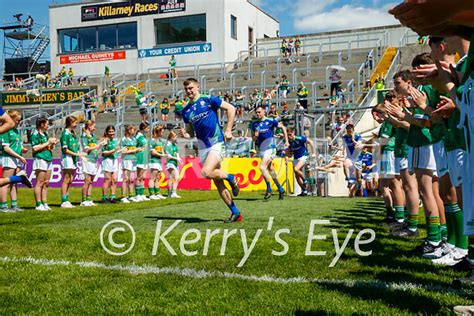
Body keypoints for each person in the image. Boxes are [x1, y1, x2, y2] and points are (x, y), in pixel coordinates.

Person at [179, 78, 242, 223]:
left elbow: (231, 108)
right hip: (203, 147)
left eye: (191, 88)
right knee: (217, 182)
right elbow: (191, 134)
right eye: (187, 89)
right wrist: (185, 135)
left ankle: (231, 177)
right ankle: (236, 213)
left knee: (206, 172)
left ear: (197, 87)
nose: (189, 91)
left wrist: (228, 130)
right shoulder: (185, 111)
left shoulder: (208, 99)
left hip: (216, 143)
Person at [251, 105, 289, 200]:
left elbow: (283, 128)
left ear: (264, 112)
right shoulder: (254, 124)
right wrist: (255, 136)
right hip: (262, 149)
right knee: (271, 170)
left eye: (259, 112)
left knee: (262, 167)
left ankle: (269, 189)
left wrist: (286, 140)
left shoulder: (270, 121)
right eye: (257, 112)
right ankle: (280, 189)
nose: (258, 114)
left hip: (270, 148)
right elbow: (253, 138)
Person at [0, 111, 28, 212]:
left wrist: (21, 149)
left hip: (16, 158)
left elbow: (15, 144)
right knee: (5, 182)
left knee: (14, 182)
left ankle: (14, 204)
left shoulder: (15, 130)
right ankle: (3, 206)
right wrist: (19, 156)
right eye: (17, 120)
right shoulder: (5, 130)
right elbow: (6, 148)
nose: (19, 122)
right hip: (8, 157)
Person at [31, 117, 58, 211]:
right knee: (40, 182)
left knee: (46, 183)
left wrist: (52, 143)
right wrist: (48, 142)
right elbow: (35, 148)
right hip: (40, 159)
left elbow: (46, 147)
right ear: (42, 124)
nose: (48, 126)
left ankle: (44, 202)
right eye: (47, 124)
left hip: (48, 158)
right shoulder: (35, 134)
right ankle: (38, 204)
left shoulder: (45, 134)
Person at [60, 115, 85, 208]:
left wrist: (79, 154)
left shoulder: (72, 133)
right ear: (70, 123)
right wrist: (77, 154)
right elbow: (65, 150)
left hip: (73, 158)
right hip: (67, 158)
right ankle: (64, 200)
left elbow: (75, 147)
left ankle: (67, 199)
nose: (76, 124)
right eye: (75, 123)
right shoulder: (65, 134)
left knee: (70, 179)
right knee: (66, 179)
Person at [80, 120, 105, 207]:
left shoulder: (93, 136)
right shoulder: (84, 136)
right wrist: (98, 145)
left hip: (94, 159)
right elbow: (87, 149)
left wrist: (100, 146)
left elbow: (95, 149)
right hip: (87, 159)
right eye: (93, 126)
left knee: (91, 181)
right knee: (87, 180)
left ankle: (89, 198)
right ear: (89, 126)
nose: (95, 127)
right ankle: (83, 200)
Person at [286, 127, 315, 196]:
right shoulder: (288, 142)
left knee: (296, 169)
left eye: (290, 134)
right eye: (288, 135)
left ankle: (305, 180)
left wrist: (313, 152)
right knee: (297, 176)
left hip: (303, 156)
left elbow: (310, 141)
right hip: (296, 158)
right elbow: (289, 153)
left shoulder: (299, 138)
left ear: (293, 133)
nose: (289, 136)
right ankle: (304, 190)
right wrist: (287, 154)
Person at [120, 125, 142, 203]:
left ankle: (131, 195)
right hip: (126, 160)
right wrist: (135, 150)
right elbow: (123, 151)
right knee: (125, 178)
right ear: (129, 130)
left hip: (133, 160)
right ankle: (123, 196)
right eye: (133, 130)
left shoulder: (134, 139)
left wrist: (138, 150)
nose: (134, 131)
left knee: (132, 179)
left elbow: (134, 149)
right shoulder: (124, 140)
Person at [101, 125, 120, 204]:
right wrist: (114, 150)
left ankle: (112, 197)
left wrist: (120, 150)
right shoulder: (105, 141)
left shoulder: (115, 140)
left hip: (114, 160)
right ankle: (104, 198)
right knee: (107, 180)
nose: (112, 133)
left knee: (115, 179)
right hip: (107, 160)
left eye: (113, 131)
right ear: (107, 132)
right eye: (110, 131)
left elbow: (116, 151)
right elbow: (104, 153)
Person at [149, 125, 166, 200]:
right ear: (158, 132)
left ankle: (157, 193)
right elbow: (153, 152)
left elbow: (161, 150)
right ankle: (151, 194)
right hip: (153, 161)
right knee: (152, 178)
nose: (163, 133)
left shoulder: (160, 141)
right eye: (162, 131)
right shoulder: (152, 141)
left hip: (159, 161)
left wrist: (163, 154)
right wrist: (162, 154)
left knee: (158, 177)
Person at [135, 122, 150, 201]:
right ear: (143, 128)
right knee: (139, 177)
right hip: (139, 158)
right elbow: (134, 146)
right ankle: (138, 194)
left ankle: (142, 193)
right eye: (147, 128)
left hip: (145, 159)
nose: (148, 129)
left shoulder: (144, 137)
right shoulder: (138, 136)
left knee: (143, 177)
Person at [165, 131, 181, 198]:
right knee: (176, 177)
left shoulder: (175, 145)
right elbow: (168, 156)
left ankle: (170, 193)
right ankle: (172, 193)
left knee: (171, 178)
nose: (176, 138)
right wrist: (176, 159)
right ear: (171, 137)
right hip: (170, 163)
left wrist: (179, 159)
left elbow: (177, 154)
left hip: (175, 163)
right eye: (175, 137)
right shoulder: (167, 145)